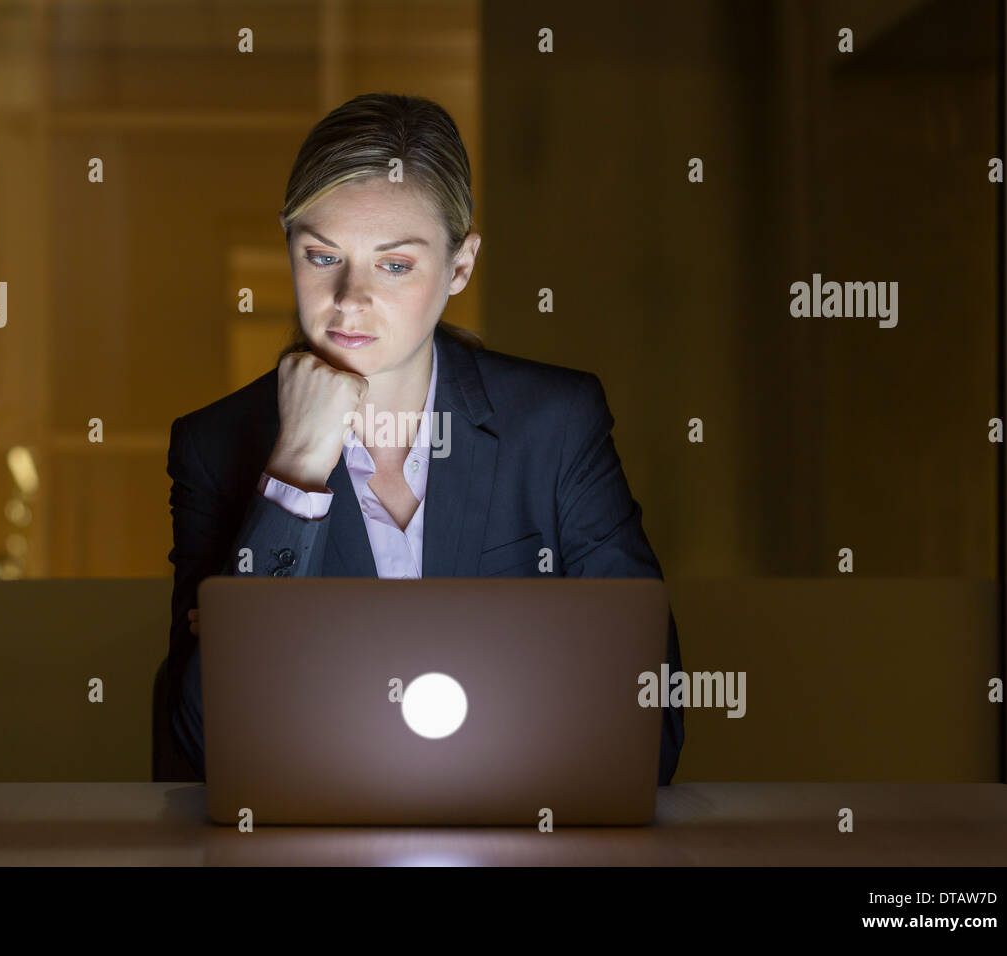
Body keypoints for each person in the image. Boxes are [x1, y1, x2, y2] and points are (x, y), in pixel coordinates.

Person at [166, 92, 685, 786]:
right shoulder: (214, 446)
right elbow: (201, 746)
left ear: (460, 266)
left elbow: (650, 719)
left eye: (395, 265)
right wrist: (295, 473)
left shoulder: (555, 425)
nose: (350, 298)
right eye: (322, 256)